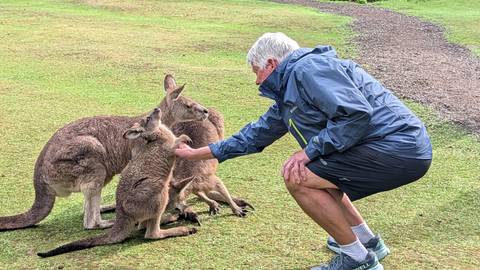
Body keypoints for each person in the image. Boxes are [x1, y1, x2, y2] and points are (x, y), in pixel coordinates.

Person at [175, 32, 432, 270]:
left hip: (399, 146)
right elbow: (253, 136)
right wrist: (194, 153)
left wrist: (308, 152)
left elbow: (354, 115)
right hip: (394, 146)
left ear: (271, 64)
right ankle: (367, 242)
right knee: (320, 172)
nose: (256, 80)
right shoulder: (291, 87)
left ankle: (357, 258)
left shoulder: (307, 70)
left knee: (297, 175)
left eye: (256, 71)